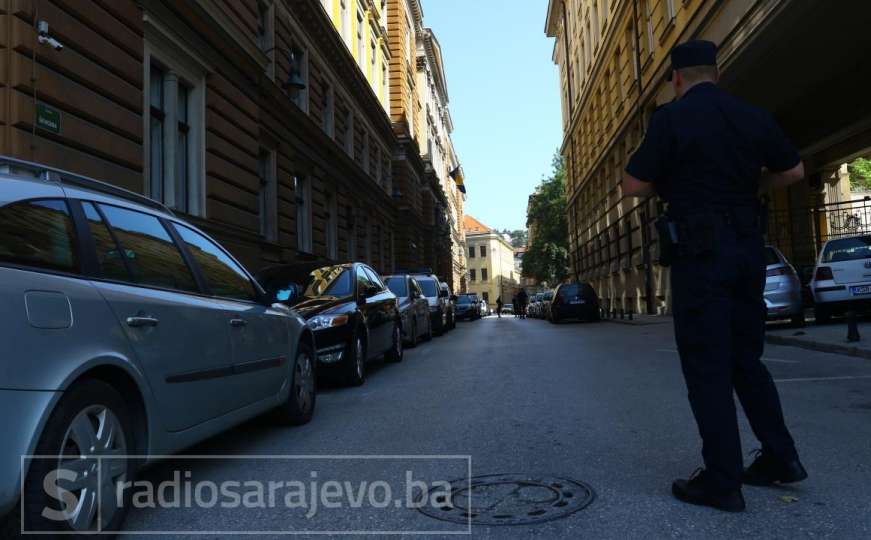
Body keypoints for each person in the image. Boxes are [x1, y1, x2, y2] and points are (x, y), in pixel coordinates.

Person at [623, 40, 807, 512]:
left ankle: (722, 482)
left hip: (701, 257)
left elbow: (633, 185)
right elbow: (794, 170)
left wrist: (673, 183)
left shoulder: (670, 118)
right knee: (747, 361)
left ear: (677, 79)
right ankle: (781, 459)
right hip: (749, 252)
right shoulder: (751, 114)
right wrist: (751, 185)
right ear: (718, 74)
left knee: (707, 367)